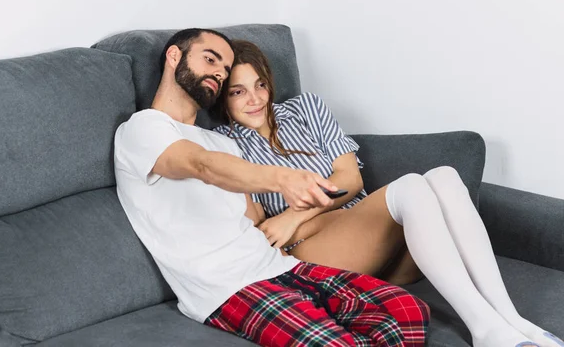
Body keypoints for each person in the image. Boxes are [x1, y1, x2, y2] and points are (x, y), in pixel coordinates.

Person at [213, 39, 564, 347]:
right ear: (222, 98)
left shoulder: (306, 109)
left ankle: (510, 318)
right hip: (314, 256)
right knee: (410, 186)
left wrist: (296, 215)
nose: (255, 99)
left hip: (371, 238)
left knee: (444, 175)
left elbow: (351, 178)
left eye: (260, 84)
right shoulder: (224, 145)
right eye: (238, 91)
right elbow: (259, 230)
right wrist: (305, 219)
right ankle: (484, 329)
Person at [113, 28, 430, 347]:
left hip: (279, 264)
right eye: (210, 59)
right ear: (174, 56)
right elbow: (201, 165)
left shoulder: (224, 142)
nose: (218, 73)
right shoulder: (143, 128)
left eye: (224, 71)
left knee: (408, 309)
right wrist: (284, 178)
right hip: (228, 288)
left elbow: (252, 217)